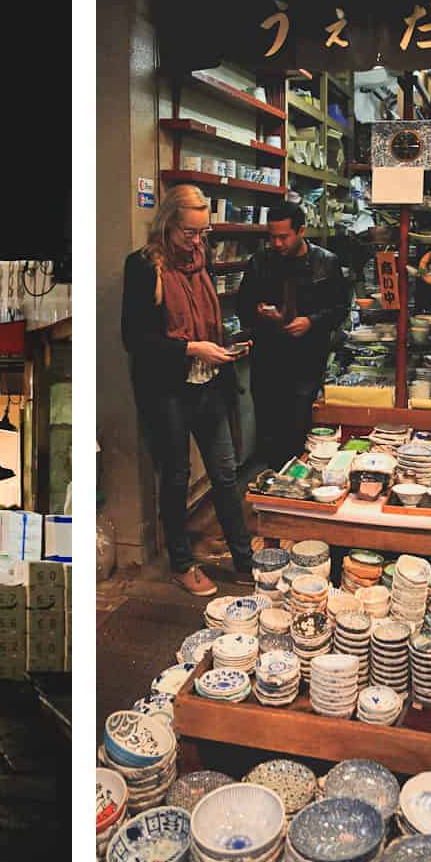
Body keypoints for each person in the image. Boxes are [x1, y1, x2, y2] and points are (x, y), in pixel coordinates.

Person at [122, 183, 255, 597]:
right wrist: (192, 347)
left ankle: (245, 558)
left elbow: (206, 318)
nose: (197, 241)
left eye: (203, 233)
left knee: (225, 473)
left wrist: (225, 342)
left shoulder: (202, 260)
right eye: (189, 233)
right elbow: (136, 339)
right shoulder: (145, 267)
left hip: (209, 384)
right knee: (177, 476)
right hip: (168, 391)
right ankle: (181, 563)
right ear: (167, 225)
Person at [238, 201, 349, 472]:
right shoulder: (260, 261)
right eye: (272, 236)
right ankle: (277, 485)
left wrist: (311, 322)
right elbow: (243, 306)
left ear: (301, 231)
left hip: (307, 359)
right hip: (268, 358)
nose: (277, 243)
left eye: (283, 236)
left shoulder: (326, 262)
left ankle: (300, 482)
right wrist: (260, 312)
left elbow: (340, 308)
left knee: (299, 426)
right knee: (269, 428)